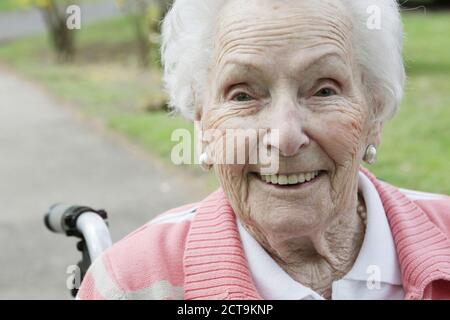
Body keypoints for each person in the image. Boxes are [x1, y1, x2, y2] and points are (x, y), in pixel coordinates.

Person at [77, 0, 450, 300]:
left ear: (375, 113)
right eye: (243, 94)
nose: (286, 137)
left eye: (323, 90)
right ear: (202, 123)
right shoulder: (128, 286)